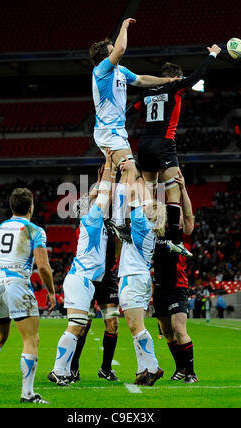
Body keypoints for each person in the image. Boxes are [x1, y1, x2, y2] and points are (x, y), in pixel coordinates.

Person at [89, 18, 179, 241]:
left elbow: (141, 80)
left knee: (131, 172)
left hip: (118, 132)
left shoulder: (120, 71)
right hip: (107, 131)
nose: (117, 54)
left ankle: (124, 217)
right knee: (129, 168)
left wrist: (166, 80)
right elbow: (120, 48)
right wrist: (125, 27)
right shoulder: (101, 71)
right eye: (111, 52)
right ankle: (120, 221)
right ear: (105, 57)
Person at [129, 44, 221, 256]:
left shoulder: (147, 91)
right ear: (176, 77)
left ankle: (142, 232)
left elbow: (128, 111)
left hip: (144, 145)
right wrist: (213, 54)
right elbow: (199, 75)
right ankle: (174, 239)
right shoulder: (175, 86)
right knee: (173, 191)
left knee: (149, 194)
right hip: (164, 145)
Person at [0, 188, 56, 404]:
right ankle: (27, 394)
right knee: (30, 339)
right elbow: (43, 266)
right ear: (30, 208)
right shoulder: (34, 230)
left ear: (11, 207)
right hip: (17, 281)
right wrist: (51, 292)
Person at [48, 150, 113, 386]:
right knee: (76, 326)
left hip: (85, 280)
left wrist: (105, 174)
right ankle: (58, 370)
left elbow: (101, 193)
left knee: (79, 326)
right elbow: (103, 193)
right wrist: (111, 165)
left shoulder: (95, 221)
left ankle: (63, 371)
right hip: (81, 279)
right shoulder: (92, 218)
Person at [118, 155, 166, 386]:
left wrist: (131, 170)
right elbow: (145, 197)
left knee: (136, 327)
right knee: (136, 326)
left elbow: (132, 195)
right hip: (140, 277)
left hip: (133, 278)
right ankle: (142, 369)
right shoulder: (149, 227)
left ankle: (153, 366)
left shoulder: (140, 223)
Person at [70, 166, 120, 383]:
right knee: (84, 323)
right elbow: (77, 206)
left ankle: (105, 369)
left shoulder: (114, 222)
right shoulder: (87, 217)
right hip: (88, 277)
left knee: (113, 323)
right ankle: (73, 368)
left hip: (107, 277)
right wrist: (99, 183)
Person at [153, 171, 198, 383]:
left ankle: (191, 373)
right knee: (167, 332)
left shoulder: (182, 232)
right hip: (159, 287)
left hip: (177, 285)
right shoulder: (157, 232)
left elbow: (188, 216)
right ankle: (180, 368)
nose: (176, 217)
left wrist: (183, 189)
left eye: (177, 215)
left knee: (180, 329)